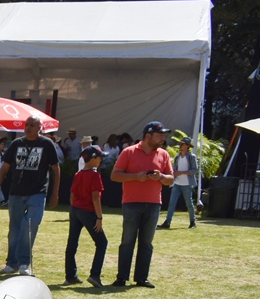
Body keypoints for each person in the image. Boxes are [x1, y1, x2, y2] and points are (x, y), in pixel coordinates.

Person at [110, 120, 174, 288]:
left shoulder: (164, 154)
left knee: (146, 243)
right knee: (127, 241)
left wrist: (160, 177)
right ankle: (122, 277)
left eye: (163, 135)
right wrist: (135, 176)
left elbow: (170, 179)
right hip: (131, 203)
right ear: (148, 136)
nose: (162, 138)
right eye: (159, 135)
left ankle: (141, 278)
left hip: (154, 204)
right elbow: (115, 175)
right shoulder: (129, 152)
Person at [0, 115, 60, 275]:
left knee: (30, 224)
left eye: (32, 125)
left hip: (37, 193)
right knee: (15, 229)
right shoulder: (17, 144)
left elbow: (56, 170)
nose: (28, 127)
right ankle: (12, 263)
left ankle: (24, 263)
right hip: (16, 193)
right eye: (26, 124)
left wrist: (54, 193)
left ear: (40, 128)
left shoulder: (46, 144)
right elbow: (4, 169)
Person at [65, 145, 108, 287]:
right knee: (102, 243)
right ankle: (95, 275)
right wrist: (99, 217)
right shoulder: (95, 175)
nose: (101, 159)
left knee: (72, 243)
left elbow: (71, 195)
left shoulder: (78, 175)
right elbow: (96, 198)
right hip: (88, 212)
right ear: (93, 159)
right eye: (99, 157)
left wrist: (75, 209)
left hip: (76, 210)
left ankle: (70, 276)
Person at [159, 136, 198, 229]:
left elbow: (195, 170)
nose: (180, 145)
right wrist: (174, 173)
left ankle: (192, 222)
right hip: (177, 183)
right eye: (180, 144)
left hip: (187, 184)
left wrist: (181, 172)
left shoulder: (192, 157)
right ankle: (167, 222)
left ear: (187, 146)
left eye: (182, 144)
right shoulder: (177, 157)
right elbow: (174, 169)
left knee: (189, 204)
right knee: (172, 203)